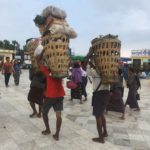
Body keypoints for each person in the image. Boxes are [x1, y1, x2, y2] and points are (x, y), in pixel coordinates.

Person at [87, 62, 110, 143]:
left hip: (99, 94)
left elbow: (86, 70)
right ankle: (105, 132)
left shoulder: (94, 72)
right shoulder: (107, 71)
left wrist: (89, 63)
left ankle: (101, 138)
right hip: (106, 94)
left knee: (98, 116)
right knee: (101, 113)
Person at [40, 64, 65, 141]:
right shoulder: (60, 71)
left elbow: (39, 63)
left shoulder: (47, 71)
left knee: (44, 112)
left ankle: (48, 129)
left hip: (50, 96)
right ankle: (57, 134)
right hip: (60, 95)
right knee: (58, 115)